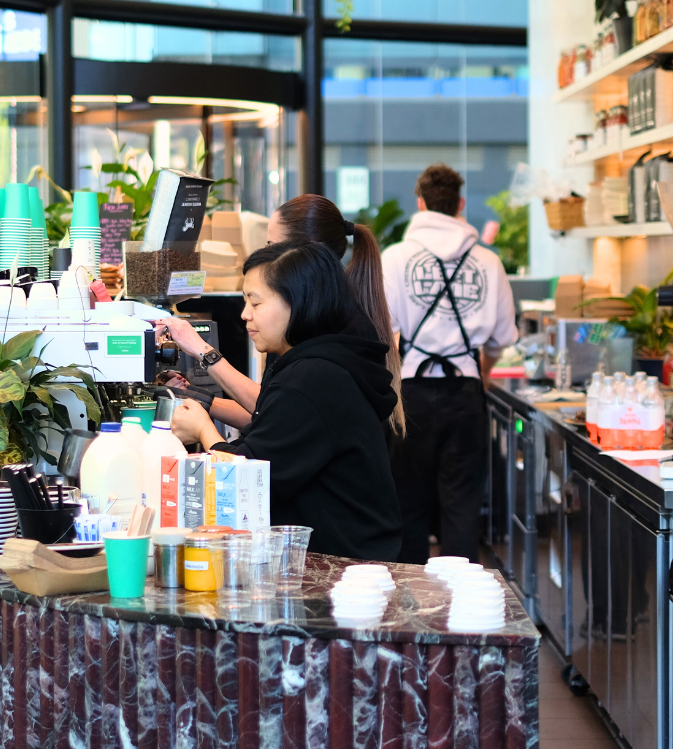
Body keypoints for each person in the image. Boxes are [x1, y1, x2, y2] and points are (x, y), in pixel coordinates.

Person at [170, 240, 402, 561]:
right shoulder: (319, 362)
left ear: (298, 303)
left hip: (341, 566)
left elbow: (247, 485)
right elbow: (266, 441)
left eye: (255, 303)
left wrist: (203, 431)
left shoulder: (311, 380)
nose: (244, 315)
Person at [157, 194, 404, 436]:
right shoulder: (322, 320)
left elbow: (272, 408)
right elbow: (272, 414)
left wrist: (203, 353)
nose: (246, 315)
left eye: (272, 247)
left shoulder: (325, 339)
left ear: (302, 259)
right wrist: (195, 396)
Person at [382, 163, 517, 565]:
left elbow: (383, 335)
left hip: (411, 395)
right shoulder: (488, 262)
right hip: (465, 395)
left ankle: (410, 613)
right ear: (459, 204)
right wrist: (484, 372)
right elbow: (501, 337)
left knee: (408, 507)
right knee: (462, 508)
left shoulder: (395, 258)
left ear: (420, 202)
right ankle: (459, 617)